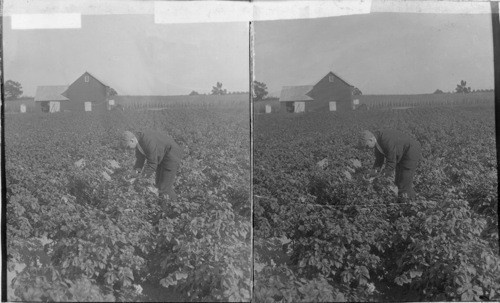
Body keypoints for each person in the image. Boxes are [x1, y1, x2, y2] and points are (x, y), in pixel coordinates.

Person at [122, 130, 183, 209]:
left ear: (132, 140)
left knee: (164, 187)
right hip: (162, 156)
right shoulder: (138, 142)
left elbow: (152, 164)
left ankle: (174, 209)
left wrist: (140, 180)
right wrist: (133, 174)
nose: (128, 149)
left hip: (171, 155)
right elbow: (139, 160)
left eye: (127, 146)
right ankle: (164, 207)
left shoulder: (146, 142)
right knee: (158, 183)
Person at [359, 129, 422, 200]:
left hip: (410, 151)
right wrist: (373, 173)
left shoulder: (385, 140)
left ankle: (412, 202)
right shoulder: (377, 140)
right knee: (398, 181)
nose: (367, 149)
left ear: (370, 140)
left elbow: (391, 162)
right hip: (402, 152)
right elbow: (379, 160)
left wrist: (380, 177)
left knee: (404, 181)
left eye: (367, 146)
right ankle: (403, 200)